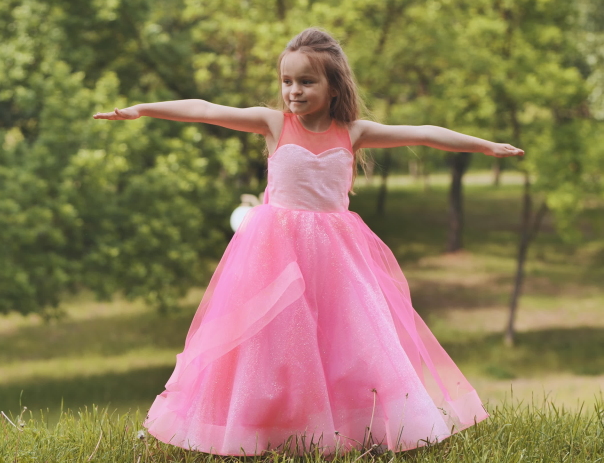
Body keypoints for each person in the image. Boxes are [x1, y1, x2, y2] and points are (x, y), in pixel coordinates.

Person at [93, 28, 523, 457]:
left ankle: (353, 426)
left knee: (347, 343)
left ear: (334, 87)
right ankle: (266, 425)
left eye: (306, 81)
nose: (293, 91)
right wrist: (142, 109)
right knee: (272, 346)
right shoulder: (273, 124)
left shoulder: (352, 132)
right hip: (274, 253)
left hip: (338, 256)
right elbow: (204, 109)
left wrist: (485, 147)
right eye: (287, 81)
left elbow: (424, 133)